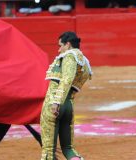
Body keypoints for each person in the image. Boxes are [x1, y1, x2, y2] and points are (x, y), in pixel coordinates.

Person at [40, 31, 92, 160]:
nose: (59, 50)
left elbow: (66, 79)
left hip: (54, 104)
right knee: (68, 148)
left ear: (68, 44)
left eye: (60, 45)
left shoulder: (69, 56)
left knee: (48, 151)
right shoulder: (84, 62)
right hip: (69, 105)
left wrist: (56, 102)